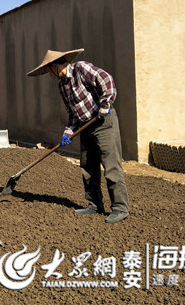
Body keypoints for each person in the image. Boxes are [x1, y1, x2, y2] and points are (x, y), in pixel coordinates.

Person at [27, 48, 130, 224]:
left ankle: (120, 207)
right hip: (85, 126)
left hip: (103, 122)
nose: (49, 75)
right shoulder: (62, 86)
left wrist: (105, 103)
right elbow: (73, 114)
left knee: (111, 165)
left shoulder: (80, 69)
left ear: (55, 66)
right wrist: (68, 132)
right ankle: (94, 204)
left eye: (48, 71)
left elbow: (106, 80)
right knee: (88, 166)